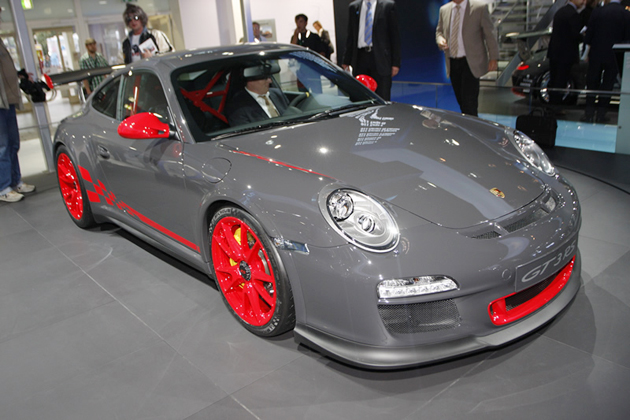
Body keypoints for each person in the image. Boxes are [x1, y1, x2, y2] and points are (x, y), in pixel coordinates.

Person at [436, 0, 499, 116]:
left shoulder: (479, 8)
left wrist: (493, 57)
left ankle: (472, 126)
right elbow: (439, 31)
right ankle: (469, 124)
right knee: (462, 102)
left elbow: (489, 34)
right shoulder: (444, 10)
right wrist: (440, 40)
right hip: (452, 62)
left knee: (469, 103)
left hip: (471, 63)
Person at [0, 7, 35, 202]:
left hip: (8, 101)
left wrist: (19, 75)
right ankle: (3, 187)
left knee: (13, 143)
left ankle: (15, 181)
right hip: (0, 103)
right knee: (3, 146)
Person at [342, 0, 401, 101]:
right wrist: (346, 60)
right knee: (360, 97)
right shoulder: (354, 7)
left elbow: (394, 36)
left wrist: (396, 63)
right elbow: (351, 35)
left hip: (381, 59)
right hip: (360, 58)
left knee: (382, 97)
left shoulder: (387, 6)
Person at [581, 0, 630, 123]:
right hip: (614, 55)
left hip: (596, 54)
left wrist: (585, 52)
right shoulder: (625, 14)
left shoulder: (598, 12)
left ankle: (589, 113)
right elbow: (627, 37)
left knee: (592, 83)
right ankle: (601, 114)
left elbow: (589, 33)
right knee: (608, 85)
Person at [547, 0, 586, 106]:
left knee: (554, 80)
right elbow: (575, 35)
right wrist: (584, 37)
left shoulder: (560, 12)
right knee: (561, 81)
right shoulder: (573, 14)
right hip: (566, 54)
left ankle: (552, 105)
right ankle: (556, 106)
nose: (583, 2)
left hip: (555, 52)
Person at [225, 70, 289, 127]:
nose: (270, 81)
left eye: (269, 77)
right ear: (250, 81)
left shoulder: (277, 93)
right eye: (265, 78)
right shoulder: (237, 107)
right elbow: (247, 133)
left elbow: (290, 113)